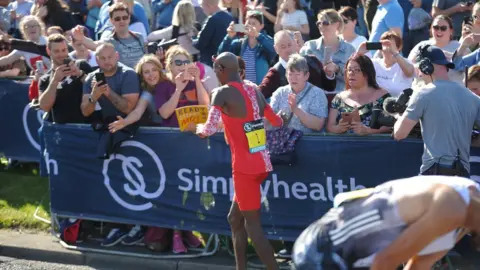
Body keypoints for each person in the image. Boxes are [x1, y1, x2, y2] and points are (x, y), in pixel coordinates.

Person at [192, 52, 282, 270]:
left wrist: (197, 128)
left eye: (216, 70)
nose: (215, 74)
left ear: (222, 70)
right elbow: (276, 120)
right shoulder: (254, 90)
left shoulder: (221, 93)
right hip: (262, 164)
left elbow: (209, 128)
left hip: (244, 169)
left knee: (253, 227)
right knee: (234, 218)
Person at [292, 175, 480, 270]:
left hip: (336, 251)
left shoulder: (459, 219)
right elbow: (385, 261)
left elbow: (416, 267)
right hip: (324, 250)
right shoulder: (453, 205)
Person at [393, 45, 480, 177]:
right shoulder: (473, 97)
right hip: (463, 174)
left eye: (419, 68)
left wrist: (398, 116)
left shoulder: (423, 94)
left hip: (434, 172)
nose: (419, 73)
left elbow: (399, 134)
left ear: (425, 66)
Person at [38, 34, 93, 124]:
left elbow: (97, 88)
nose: (61, 54)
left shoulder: (81, 65)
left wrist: (80, 74)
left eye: (64, 50)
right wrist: (55, 81)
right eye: (56, 51)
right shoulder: (45, 79)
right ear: (48, 51)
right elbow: (45, 107)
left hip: (86, 127)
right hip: (63, 130)